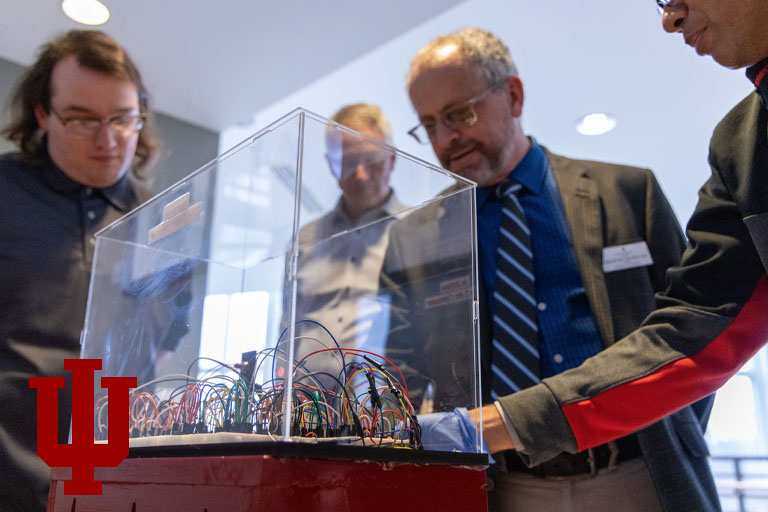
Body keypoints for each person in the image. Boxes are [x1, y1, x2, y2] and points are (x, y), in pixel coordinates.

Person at [390, 27, 719, 511]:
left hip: (642, 473)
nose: (446, 139)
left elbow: (695, 329)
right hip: (506, 490)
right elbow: (404, 368)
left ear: (514, 96)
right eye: (430, 124)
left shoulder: (628, 192)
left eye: (460, 114)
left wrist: (669, 432)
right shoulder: (415, 236)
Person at [474, 0, 768, 478]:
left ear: (512, 97)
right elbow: (694, 330)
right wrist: (487, 425)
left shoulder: (630, 187)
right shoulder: (743, 144)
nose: (670, 19)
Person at [0, 30, 159, 511]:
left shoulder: (156, 221)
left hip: (113, 484)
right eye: (83, 120)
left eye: (123, 119)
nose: (109, 140)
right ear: (43, 115)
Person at [290, 104, 404, 388]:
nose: (360, 174)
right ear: (330, 164)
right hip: (307, 403)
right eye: (347, 162)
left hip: (381, 405)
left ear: (392, 159)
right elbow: (287, 330)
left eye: (372, 159)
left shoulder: (415, 230)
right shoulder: (304, 239)